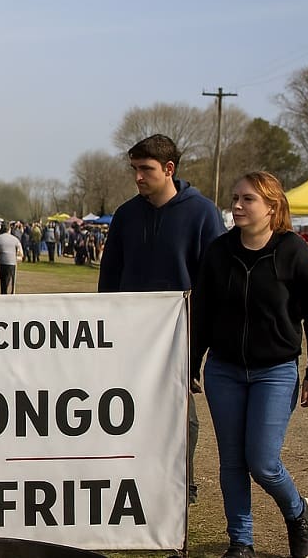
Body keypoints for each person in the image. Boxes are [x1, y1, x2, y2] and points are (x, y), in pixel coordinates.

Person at [191, 171, 308, 558]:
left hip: (276, 370)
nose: (237, 205)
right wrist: (191, 363)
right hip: (224, 370)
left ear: (273, 206)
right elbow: (202, 313)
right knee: (232, 461)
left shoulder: (294, 252)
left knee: (263, 462)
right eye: (235, 198)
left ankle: (298, 512)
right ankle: (241, 542)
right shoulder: (219, 252)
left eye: (247, 199)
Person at [98, 133, 225, 505]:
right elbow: (110, 278)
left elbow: (212, 282)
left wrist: (199, 343)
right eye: (134, 169)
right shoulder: (125, 215)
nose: (138, 177)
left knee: (181, 412)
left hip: (179, 334)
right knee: (126, 406)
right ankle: (133, 477)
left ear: (169, 169)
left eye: (145, 169)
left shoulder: (202, 213)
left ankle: (181, 480)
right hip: (129, 333)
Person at [0, 222, 23, 294]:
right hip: (12, 262)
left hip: (2, 262)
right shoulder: (15, 239)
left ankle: (4, 293)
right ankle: (11, 293)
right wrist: (16, 257)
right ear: (9, 229)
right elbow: (21, 253)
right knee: (11, 281)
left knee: (3, 282)